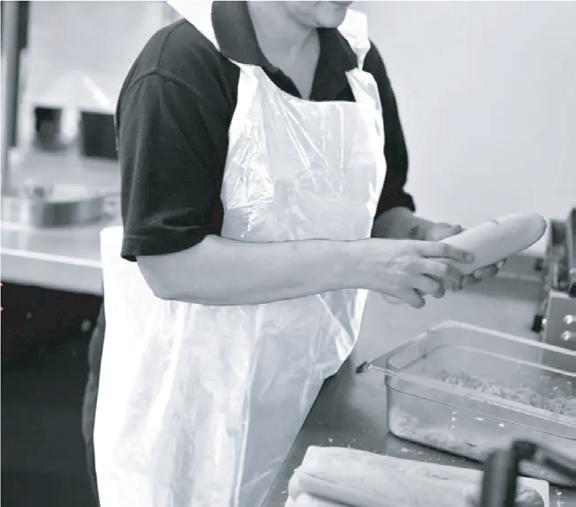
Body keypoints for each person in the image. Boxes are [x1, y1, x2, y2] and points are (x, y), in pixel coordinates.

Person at [82, 2, 500, 506]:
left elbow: (379, 209)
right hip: (188, 404)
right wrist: (362, 263)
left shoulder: (358, 61)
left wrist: (426, 241)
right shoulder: (181, 65)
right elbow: (170, 266)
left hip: (307, 383)